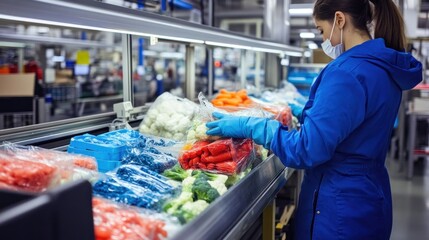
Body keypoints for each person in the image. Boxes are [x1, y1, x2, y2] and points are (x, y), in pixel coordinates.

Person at [205, 0, 422, 239]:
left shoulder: (347, 72)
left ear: (340, 20)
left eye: (321, 29)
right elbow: (356, 123)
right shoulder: (382, 67)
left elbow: (306, 150)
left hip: (338, 209)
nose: (323, 39)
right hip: (368, 198)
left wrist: (252, 126)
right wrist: (306, 112)